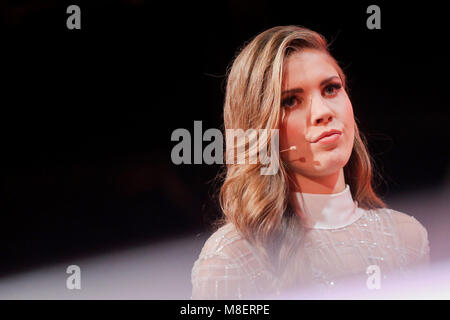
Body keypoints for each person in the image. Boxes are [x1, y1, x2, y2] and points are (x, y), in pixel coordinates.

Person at [191, 25, 430, 299]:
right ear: (257, 129)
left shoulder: (407, 237)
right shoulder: (233, 257)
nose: (322, 112)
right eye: (291, 101)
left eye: (331, 89)